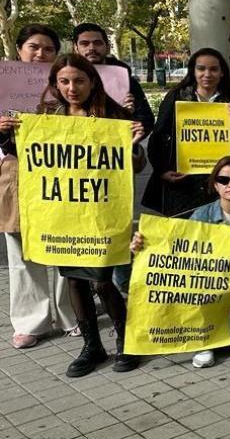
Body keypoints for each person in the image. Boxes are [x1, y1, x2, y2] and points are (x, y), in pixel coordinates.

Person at [44, 55, 146, 376]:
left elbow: (136, 163)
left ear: (92, 82)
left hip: (102, 213)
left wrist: (134, 145)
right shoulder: (48, 117)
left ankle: (126, 339)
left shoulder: (113, 115)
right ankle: (92, 346)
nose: (72, 88)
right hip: (65, 213)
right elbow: (32, 157)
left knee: (102, 280)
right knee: (74, 279)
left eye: (79, 81)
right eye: (64, 81)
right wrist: (5, 134)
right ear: (56, 85)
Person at [131, 156, 230, 368]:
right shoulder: (202, 215)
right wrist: (143, 246)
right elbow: (176, 252)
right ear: (215, 184)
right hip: (207, 294)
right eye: (224, 180)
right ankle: (205, 339)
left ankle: (213, 336)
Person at [0, 24, 76, 349]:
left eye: (47, 48)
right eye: (33, 47)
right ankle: (31, 321)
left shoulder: (67, 84)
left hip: (60, 175)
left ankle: (72, 314)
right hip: (17, 174)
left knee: (65, 244)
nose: (40, 54)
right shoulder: (3, 84)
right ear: (19, 49)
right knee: (20, 249)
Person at [142, 48, 230, 217]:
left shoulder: (228, 103)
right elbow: (157, 137)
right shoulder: (176, 97)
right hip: (181, 183)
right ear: (193, 72)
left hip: (214, 184)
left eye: (214, 69)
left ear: (222, 73)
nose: (207, 74)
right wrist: (162, 171)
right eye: (201, 69)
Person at [72, 22, 156, 136]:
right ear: (76, 48)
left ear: (107, 47)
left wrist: (128, 119)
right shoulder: (64, 81)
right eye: (85, 44)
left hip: (118, 150)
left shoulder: (126, 81)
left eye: (97, 43)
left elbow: (146, 121)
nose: (91, 48)